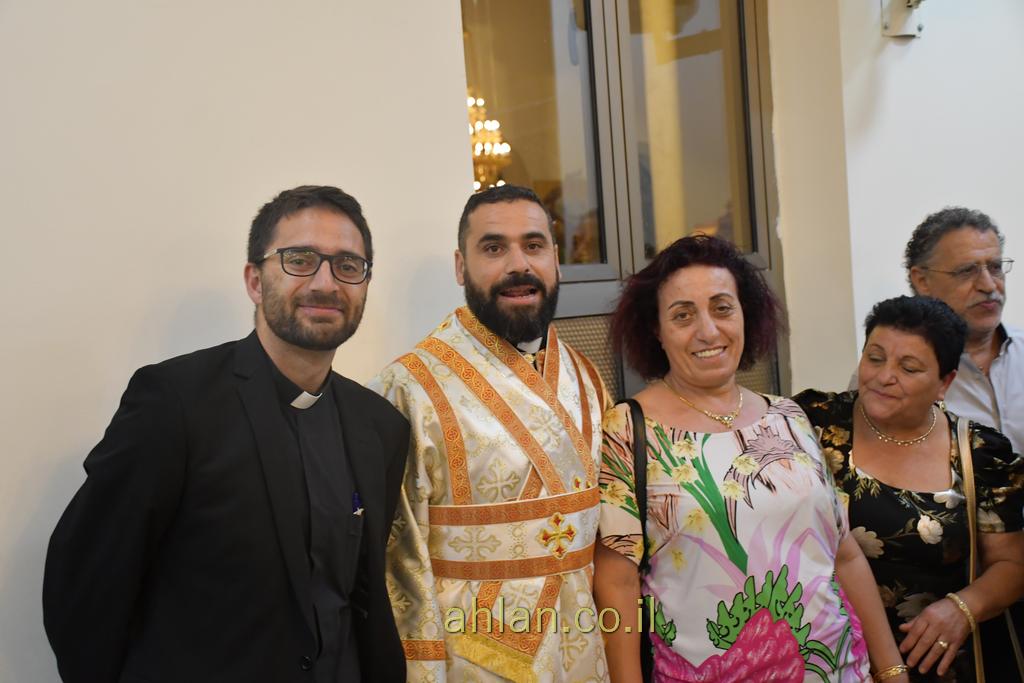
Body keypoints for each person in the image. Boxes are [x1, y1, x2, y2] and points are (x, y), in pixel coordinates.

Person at [43, 186, 410, 683]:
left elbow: (359, 596)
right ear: (255, 281)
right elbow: (86, 583)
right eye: (300, 260)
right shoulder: (174, 404)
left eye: (348, 265)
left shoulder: (380, 426)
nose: (326, 282)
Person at [596, 235, 908, 682]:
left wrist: (892, 669)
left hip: (838, 669)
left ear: (746, 313)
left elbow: (844, 555)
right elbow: (617, 584)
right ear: (656, 330)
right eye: (683, 315)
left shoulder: (789, 416)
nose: (708, 331)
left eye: (722, 308)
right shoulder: (630, 429)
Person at [369, 185, 611, 682]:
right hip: (470, 661)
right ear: (461, 267)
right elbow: (399, 564)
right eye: (494, 248)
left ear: (556, 260)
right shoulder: (407, 388)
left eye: (534, 245)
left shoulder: (586, 378)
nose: (518, 265)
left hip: (585, 644)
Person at [795, 295, 1024, 681]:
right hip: (824, 654)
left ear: (944, 383)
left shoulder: (979, 453)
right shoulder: (810, 424)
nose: (884, 376)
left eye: (909, 367)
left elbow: (1012, 564)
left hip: (933, 659)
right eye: (875, 358)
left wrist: (963, 608)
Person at [904, 207, 1022, 455]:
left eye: (995, 267)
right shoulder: (890, 373)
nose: (988, 285)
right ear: (922, 280)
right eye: (967, 271)